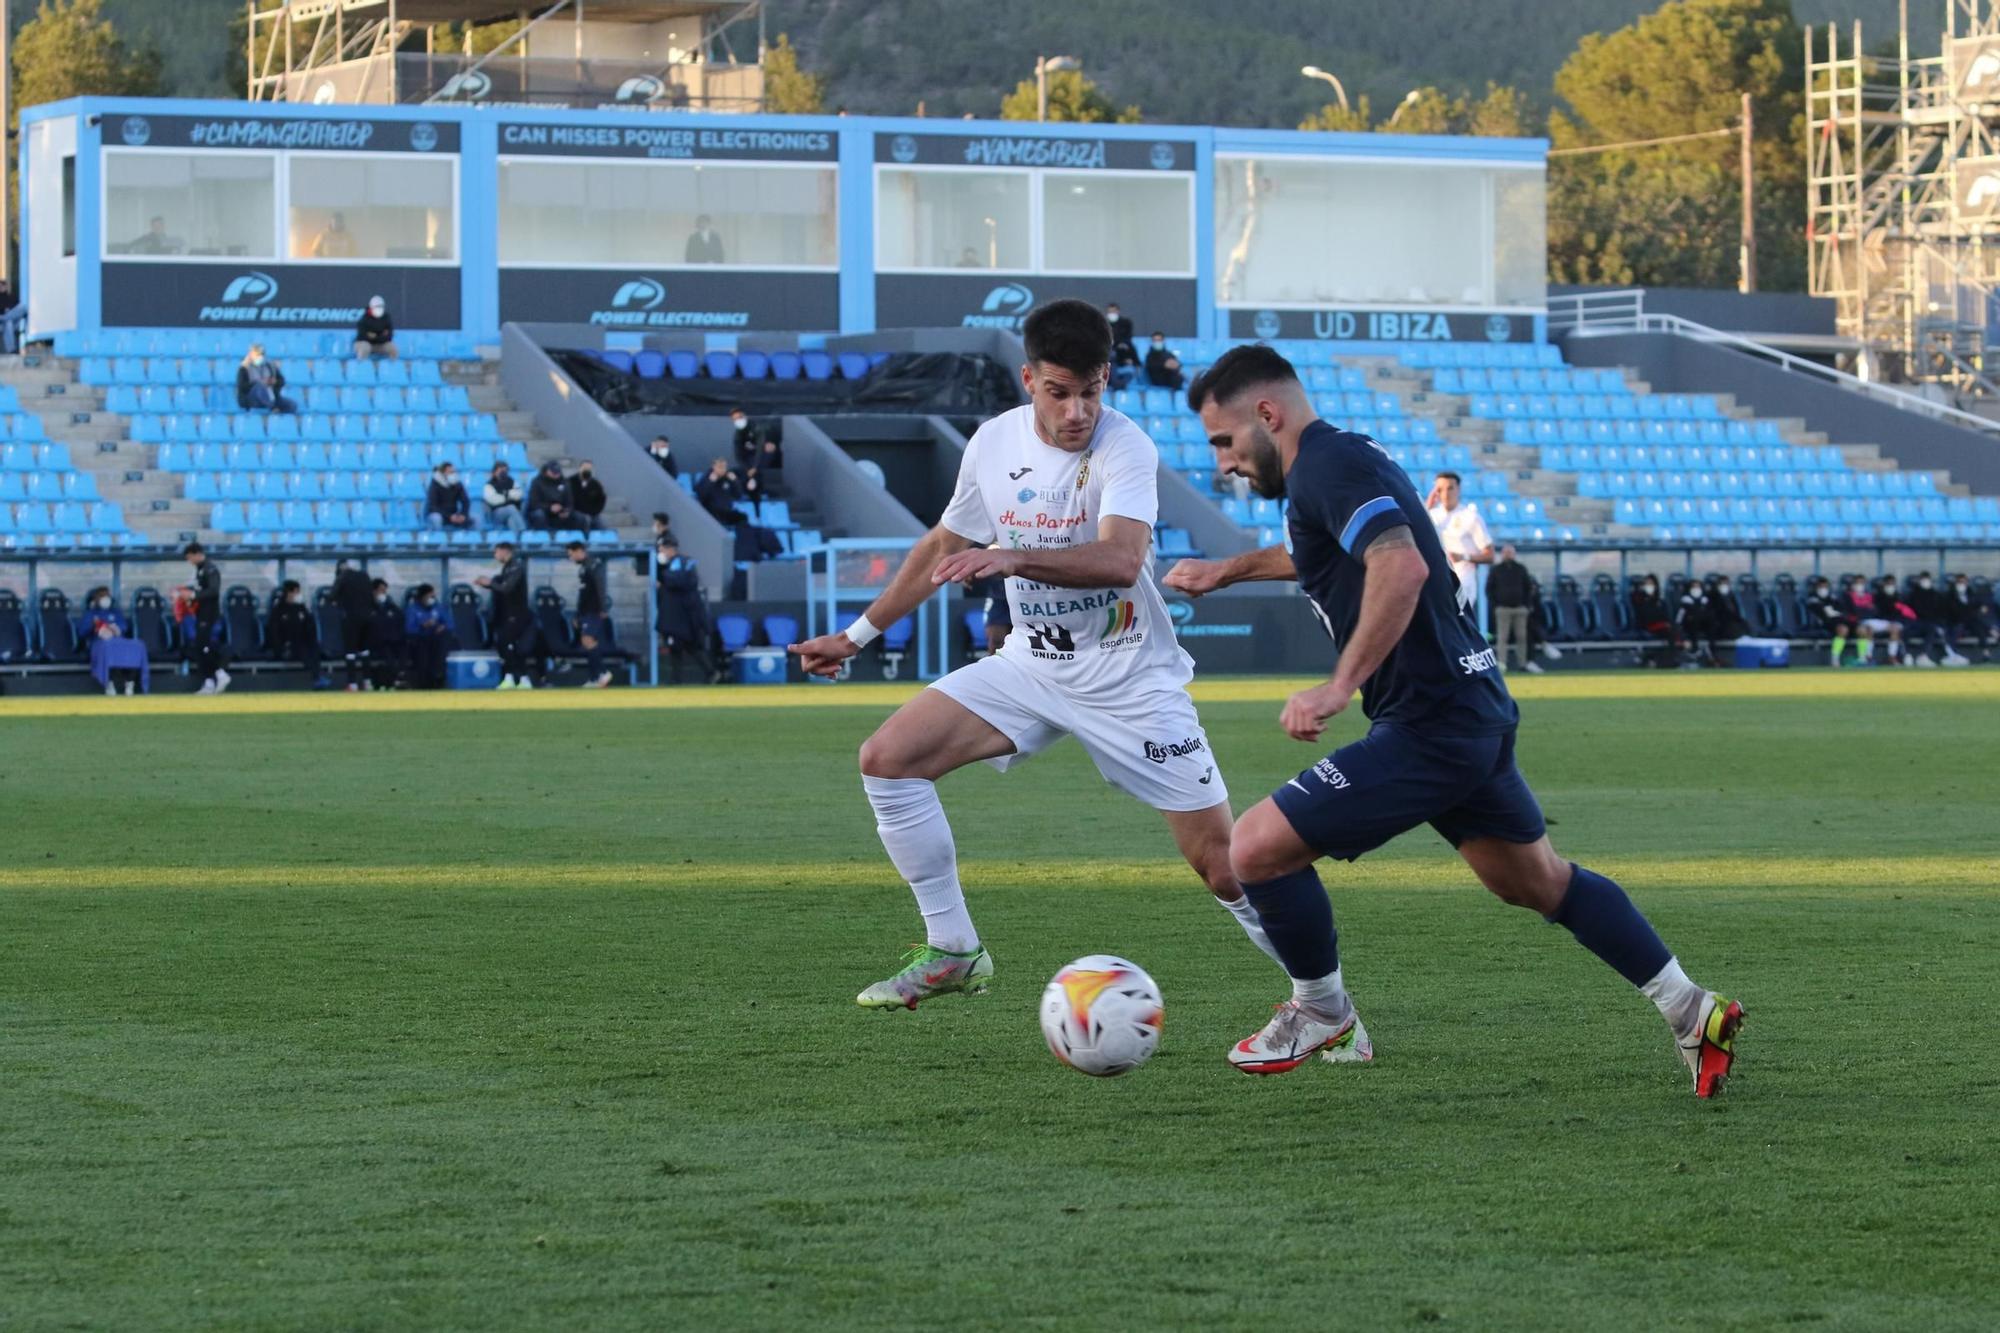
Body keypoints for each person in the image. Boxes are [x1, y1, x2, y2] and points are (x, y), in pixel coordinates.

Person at [1160, 344, 1740, 1093]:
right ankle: (1691, 1007)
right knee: (1535, 881)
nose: (1226, 463)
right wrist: (1227, 569)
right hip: (1471, 708)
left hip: (1429, 722)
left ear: (1266, 414)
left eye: (1225, 441)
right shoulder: (1339, 461)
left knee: (1256, 848)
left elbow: (1403, 565)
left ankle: (1321, 1009)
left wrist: (1339, 686)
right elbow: (1325, 550)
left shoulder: (1326, 468)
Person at [787, 299, 1293, 1014]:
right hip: (1032, 665)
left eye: (1091, 390)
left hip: (1128, 678)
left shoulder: (1126, 447)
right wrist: (855, 636)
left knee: (1223, 866)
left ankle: (1325, 1004)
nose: (1078, 410)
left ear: (1107, 379)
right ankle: (955, 950)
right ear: (1029, 379)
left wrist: (1011, 555)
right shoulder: (992, 444)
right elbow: (942, 546)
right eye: (1059, 392)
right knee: (887, 758)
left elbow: (1121, 560)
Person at [1424, 472, 1493, 611]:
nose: (1445, 493)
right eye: (1440, 489)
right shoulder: (1431, 515)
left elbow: (1490, 555)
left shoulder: (1471, 517)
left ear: (1458, 489)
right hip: (1438, 581)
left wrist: (1463, 556)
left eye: (1450, 488)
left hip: (1463, 582)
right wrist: (1427, 506)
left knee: (1460, 621)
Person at [655, 533, 716, 684]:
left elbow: (682, 582)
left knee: (690, 646)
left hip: (684, 613)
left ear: (670, 549)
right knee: (677, 647)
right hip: (675, 615)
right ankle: (679, 678)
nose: (660, 552)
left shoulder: (683, 562)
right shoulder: (666, 565)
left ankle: (710, 673)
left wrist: (664, 576)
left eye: (662, 549)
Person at [475, 541, 536, 689]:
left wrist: (489, 583)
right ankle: (513, 677)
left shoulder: (516, 567)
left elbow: (507, 589)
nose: (495, 555)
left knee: (512, 646)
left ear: (504, 551)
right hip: (506, 614)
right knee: (506, 646)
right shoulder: (507, 568)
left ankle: (521, 678)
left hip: (516, 614)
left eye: (496, 552)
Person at [182, 543, 230, 694]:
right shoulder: (200, 570)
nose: (189, 561)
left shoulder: (210, 569)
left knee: (204, 646)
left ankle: (219, 673)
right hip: (201, 613)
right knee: (199, 647)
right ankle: (209, 681)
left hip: (209, 614)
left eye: (190, 558)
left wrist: (193, 595)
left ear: (197, 554)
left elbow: (214, 591)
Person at [1485, 544, 1539, 673]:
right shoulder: (1496, 570)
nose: (1508, 554)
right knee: (1502, 637)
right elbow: (1489, 589)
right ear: (1502, 554)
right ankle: (1502, 664)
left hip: (1520, 609)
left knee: (1522, 637)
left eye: (1510, 552)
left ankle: (1522, 663)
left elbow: (1528, 588)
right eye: (1506, 552)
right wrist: (1496, 605)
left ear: (1514, 554)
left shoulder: (1521, 569)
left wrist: (1526, 605)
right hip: (1503, 609)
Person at [267, 579, 330, 689]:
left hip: (303, 643)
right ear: (289, 593)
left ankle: (318, 677)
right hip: (288, 646)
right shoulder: (278, 610)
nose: (299, 594)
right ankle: (317, 678)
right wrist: (280, 647)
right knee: (301, 648)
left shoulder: (301, 608)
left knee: (314, 647)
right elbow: (274, 632)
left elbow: (309, 626)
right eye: (297, 592)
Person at [567, 540, 613, 687]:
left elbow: (600, 588)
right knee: (587, 642)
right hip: (586, 611)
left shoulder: (594, 566)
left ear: (579, 551)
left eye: (571, 554)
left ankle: (602, 672)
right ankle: (595, 678)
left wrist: (603, 609)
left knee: (588, 640)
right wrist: (577, 615)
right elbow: (583, 594)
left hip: (594, 610)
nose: (571, 558)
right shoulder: (584, 568)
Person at [79, 588, 138, 695]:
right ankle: (109, 683)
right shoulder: (91, 614)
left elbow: (124, 626)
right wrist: (93, 625)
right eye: (102, 596)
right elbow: (82, 632)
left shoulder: (116, 612)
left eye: (107, 595)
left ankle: (130, 682)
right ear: (96, 599)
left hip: (118, 642)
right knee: (107, 651)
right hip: (100, 644)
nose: (105, 598)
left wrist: (115, 628)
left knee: (135, 648)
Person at [1837, 575, 1900, 666]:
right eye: (1857, 583)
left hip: (1876, 620)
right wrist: (1866, 609)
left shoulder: (1870, 596)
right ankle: (1868, 657)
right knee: (1868, 629)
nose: (1860, 585)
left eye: (1862, 583)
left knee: (1895, 628)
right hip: (1862, 621)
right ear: (1853, 585)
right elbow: (1854, 611)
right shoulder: (1848, 596)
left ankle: (1892, 657)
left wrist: (1865, 609)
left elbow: (1876, 610)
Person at [332, 558, 375, 690]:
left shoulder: (343, 577)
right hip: (367, 618)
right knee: (364, 650)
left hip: (351, 618)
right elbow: (371, 597)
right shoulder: (364, 576)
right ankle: (368, 682)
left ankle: (352, 683)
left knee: (350, 651)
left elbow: (333, 595)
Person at [403, 583, 454, 689]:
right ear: (422, 597)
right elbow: (409, 628)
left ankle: (439, 680)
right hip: (419, 641)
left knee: (443, 642)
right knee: (421, 649)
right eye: (430, 596)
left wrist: (442, 627)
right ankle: (423, 684)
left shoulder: (438, 607)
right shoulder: (413, 609)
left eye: (433, 596)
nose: (432, 598)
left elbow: (450, 623)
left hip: (436, 640)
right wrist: (423, 625)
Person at [1944, 572, 1997, 661]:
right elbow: (1955, 611)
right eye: (1959, 582)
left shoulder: (1970, 593)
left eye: (1964, 582)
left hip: (1970, 621)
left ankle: (1986, 653)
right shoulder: (1950, 595)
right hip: (1957, 621)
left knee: (1979, 627)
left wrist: (1981, 607)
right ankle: (1952, 654)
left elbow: (1978, 605)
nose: (1962, 585)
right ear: (1956, 584)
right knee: (1958, 628)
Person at [363, 579, 406, 689]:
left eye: (385, 590)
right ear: (374, 591)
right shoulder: (367, 606)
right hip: (375, 642)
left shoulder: (391, 605)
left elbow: (400, 618)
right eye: (381, 590)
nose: (383, 593)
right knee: (387, 652)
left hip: (392, 639)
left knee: (404, 648)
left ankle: (401, 676)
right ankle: (394, 680)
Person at [1630, 574, 1677, 668]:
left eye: (1651, 584)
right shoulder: (1639, 598)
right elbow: (1644, 615)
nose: (1649, 586)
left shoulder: (1659, 600)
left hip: (1661, 626)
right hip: (1647, 626)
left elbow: (1665, 615)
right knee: (1672, 632)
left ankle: (1665, 660)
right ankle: (1665, 662)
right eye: (1646, 584)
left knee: (1673, 631)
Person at [235, 345, 297, 414]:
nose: (259, 357)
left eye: (261, 355)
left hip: (271, 396)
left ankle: (278, 417)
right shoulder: (244, 368)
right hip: (252, 400)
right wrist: (258, 383)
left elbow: (281, 381)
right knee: (260, 387)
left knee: (292, 405)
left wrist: (274, 382)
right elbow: (242, 386)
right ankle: (272, 408)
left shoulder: (270, 366)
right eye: (257, 355)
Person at [696, 458, 748, 527]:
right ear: (714, 467)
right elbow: (701, 496)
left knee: (743, 517)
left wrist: (735, 481)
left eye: (724, 467)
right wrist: (710, 482)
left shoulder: (729, 478)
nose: (722, 469)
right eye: (720, 467)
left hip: (726, 512)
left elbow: (739, 495)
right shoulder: (706, 479)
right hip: (712, 512)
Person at [527, 460, 575, 532]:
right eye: (553, 472)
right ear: (547, 471)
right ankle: (543, 537)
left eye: (557, 472)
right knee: (539, 515)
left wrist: (567, 511)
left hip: (559, 513)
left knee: (577, 517)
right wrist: (549, 508)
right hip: (543, 512)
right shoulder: (537, 482)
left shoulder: (565, 482)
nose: (556, 474)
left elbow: (569, 502)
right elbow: (533, 503)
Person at [425, 462, 472, 530]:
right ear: (443, 473)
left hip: (453, 515)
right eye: (450, 472)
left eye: (453, 472)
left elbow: (465, 501)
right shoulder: (435, 485)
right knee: (436, 518)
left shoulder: (457, 484)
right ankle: (438, 539)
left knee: (476, 519)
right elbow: (433, 506)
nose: (453, 474)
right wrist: (449, 516)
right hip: (440, 514)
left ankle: (472, 539)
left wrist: (463, 514)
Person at [483, 461, 527, 532]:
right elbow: (493, 500)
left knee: (511, 520)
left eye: (505, 470)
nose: (503, 473)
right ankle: (524, 530)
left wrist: (505, 494)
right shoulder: (489, 485)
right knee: (511, 507)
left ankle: (517, 540)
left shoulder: (512, 481)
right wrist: (509, 496)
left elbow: (519, 494)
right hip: (497, 513)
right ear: (494, 472)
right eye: (500, 471)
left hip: (513, 513)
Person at [354, 295, 397, 361]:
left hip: (380, 344)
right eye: (376, 306)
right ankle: (360, 367)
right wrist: (381, 335)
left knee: (392, 349)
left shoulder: (386, 317)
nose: (379, 308)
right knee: (365, 348)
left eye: (380, 306)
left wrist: (375, 336)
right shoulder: (364, 319)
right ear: (371, 307)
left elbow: (389, 335)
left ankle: (392, 369)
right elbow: (363, 336)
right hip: (364, 343)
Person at [569, 461, 607, 534]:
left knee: (602, 526)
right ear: (580, 468)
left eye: (589, 468)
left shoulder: (595, 484)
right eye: (585, 468)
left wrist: (595, 512)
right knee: (586, 519)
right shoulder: (570, 482)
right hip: (574, 513)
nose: (586, 470)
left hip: (592, 513)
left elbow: (601, 499)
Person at [1106, 303, 1138, 368]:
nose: (1112, 313)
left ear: (1118, 311)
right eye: (1110, 312)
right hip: (1109, 349)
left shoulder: (1126, 323)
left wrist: (1122, 344)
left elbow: (1128, 337)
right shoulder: (1104, 323)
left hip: (1123, 349)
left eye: (1113, 311)